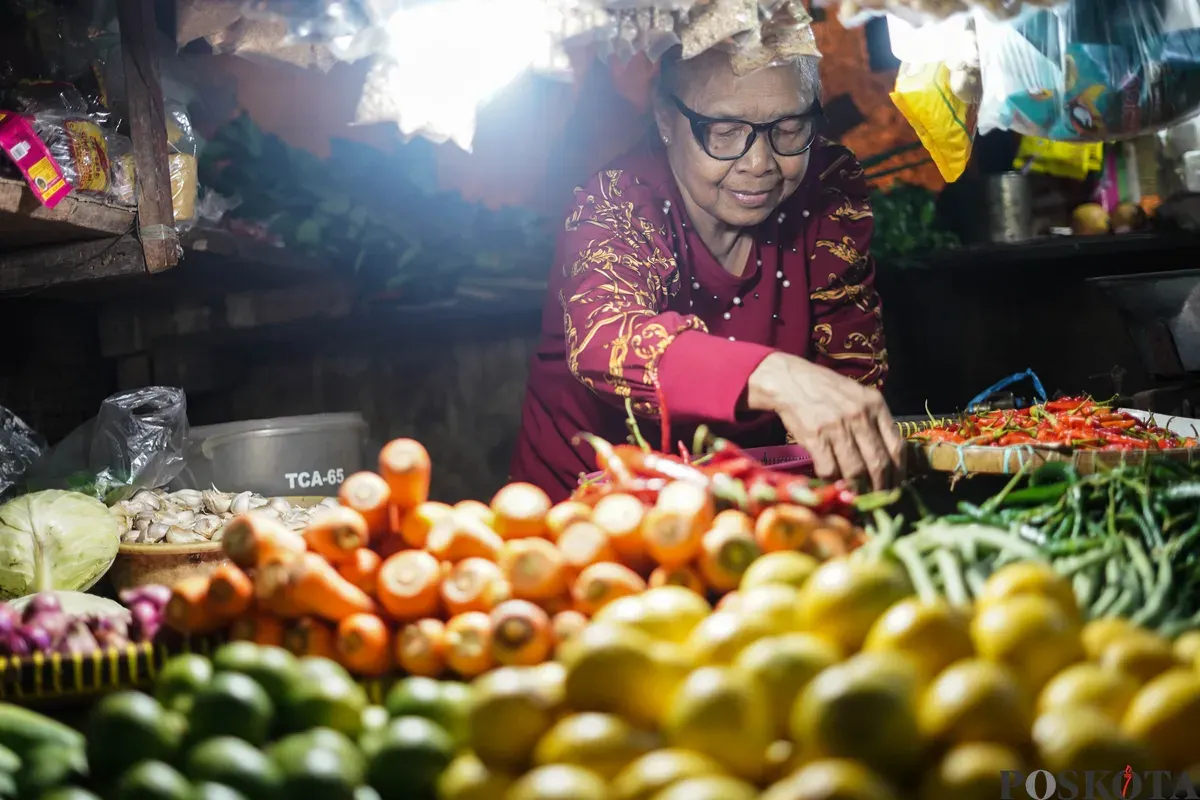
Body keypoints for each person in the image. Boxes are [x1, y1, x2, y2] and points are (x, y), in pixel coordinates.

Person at [511, 44, 902, 502]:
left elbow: (849, 377)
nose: (759, 164)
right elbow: (605, 338)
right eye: (724, 132)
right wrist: (777, 376)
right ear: (664, 118)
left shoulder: (827, 184)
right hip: (594, 511)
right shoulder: (615, 202)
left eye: (790, 128)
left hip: (760, 502)